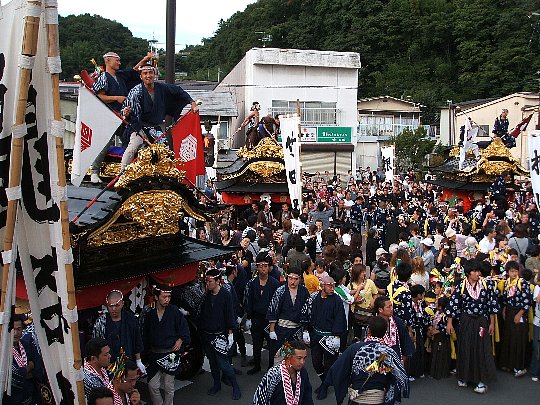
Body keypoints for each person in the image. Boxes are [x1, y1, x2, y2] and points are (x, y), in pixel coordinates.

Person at [89, 51, 154, 183]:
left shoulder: (120, 75)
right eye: (116, 60)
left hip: (126, 115)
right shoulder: (104, 77)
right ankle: (94, 171)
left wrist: (145, 59)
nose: (119, 62)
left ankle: (129, 171)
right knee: (106, 143)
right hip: (110, 115)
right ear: (108, 61)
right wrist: (116, 98)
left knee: (136, 139)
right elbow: (98, 95)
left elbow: (134, 70)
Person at [121, 62, 199, 170]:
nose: (148, 76)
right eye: (145, 73)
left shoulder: (162, 88)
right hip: (138, 126)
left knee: (165, 150)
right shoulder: (136, 92)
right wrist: (126, 113)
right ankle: (122, 173)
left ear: (155, 74)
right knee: (133, 147)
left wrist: (192, 102)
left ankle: (165, 174)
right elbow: (129, 113)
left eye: (150, 73)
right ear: (141, 76)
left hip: (155, 127)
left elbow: (179, 91)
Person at [317, 316, 409, 404]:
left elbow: (337, 370)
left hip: (357, 398)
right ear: (385, 333)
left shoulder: (354, 348)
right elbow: (401, 377)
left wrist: (348, 383)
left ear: (368, 331)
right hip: (378, 399)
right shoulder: (389, 352)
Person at [446, 259, 499, 394]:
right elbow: (454, 305)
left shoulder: (487, 285)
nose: (477, 274)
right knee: (465, 346)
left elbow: (492, 305)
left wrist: (492, 323)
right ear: (468, 273)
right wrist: (449, 323)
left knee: (482, 349)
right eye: (474, 271)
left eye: (478, 271)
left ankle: (481, 381)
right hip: (466, 321)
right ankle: (464, 376)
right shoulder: (461, 286)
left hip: (481, 320)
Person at [142, 283, 191, 405]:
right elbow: (146, 334)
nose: (167, 300)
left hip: (170, 353)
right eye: (164, 297)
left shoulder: (174, 311)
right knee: (152, 385)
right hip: (155, 353)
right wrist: (144, 356)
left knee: (169, 387)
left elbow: (184, 328)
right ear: (157, 297)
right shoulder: (150, 313)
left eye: (169, 297)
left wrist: (180, 340)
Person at [199, 268, 241, 399]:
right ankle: (216, 384)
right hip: (207, 334)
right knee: (212, 362)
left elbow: (229, 314)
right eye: (206, 281)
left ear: (218, 281)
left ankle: (235, 386)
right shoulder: (206, 296)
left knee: (224, 364)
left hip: (220, 335)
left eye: (210, 281)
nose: (208, 284)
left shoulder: (225, 294)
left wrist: (230, 333)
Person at [301, 276, 347, 388]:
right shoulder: (314, 298)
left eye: (333, 286)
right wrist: (306, 330)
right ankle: (324, 381)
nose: (332, 288)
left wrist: (337, 336)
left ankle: (324, 387)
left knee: (328, 364)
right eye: (329, 286)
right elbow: (307, 313)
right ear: (322, 286)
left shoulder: (337, 300)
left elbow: (340, 319)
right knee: (316, 363)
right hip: (316, 335)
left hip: (330, 337)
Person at [92, 290, 145, 374]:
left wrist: (138, 361)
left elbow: (137, 341)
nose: (114, 309)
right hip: (108, 365)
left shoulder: (131, 319)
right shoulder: (101, 322)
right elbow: (96, 346)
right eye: (110, 306)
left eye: (117, 305)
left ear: (122, 304)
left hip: (128, 361)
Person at [244, 252, 280, 375]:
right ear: (257, 267)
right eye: (260, 266)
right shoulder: (252, 283)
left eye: (265, 266)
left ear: (269, 267)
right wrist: (248, 317)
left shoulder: (274, 283)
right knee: (256, 343)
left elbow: (277, 303)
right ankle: (257, 365)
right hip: (256, 318)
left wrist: (275, 322)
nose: (263, 269)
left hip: (269, 320)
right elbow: (249, 301)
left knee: (271, 344)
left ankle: (271, 366)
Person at [267, 267, 311, 363]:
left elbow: (307, 311)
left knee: (295, 358)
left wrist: (306, 330)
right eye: (290, 278)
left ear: (300, 279)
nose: (293, 281)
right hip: (282, 328)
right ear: (287, 278)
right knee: (278, 356)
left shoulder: (304, 291)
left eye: (296, 279)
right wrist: (272, 330)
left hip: (297, 329)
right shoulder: (280, 291)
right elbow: (273, 309)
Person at [498, 260, 533, 377]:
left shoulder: (523, 283)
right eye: (512, 271)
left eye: (516, 271)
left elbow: (528, 300)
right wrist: (504, 310)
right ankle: (508, 364)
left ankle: (518, 366)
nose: (514, 273)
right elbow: (505, 299)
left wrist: (520, 314)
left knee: (518, 340)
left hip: (519, 312)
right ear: (507, 272)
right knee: (508, 338)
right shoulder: (507, 283)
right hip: (509, 311)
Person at [252, 341, 314, 405]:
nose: (302, 362)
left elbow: (307, 396)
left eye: (304, 358)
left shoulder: (302, 372)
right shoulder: (274, 374)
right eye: (299, 358)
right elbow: (259, 400)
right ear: (288, 357)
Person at [9, 314, 40, 405]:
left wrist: (26, 372)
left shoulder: (27, 344)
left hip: (30, 396)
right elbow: (13, 374)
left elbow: (38, 366)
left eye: (18, 329)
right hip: (12, 399)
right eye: (13, 329)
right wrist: (29, 367)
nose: (15, 333)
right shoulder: (4, 350)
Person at [372, 296, 415, 364]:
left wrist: (404, 357)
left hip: (396, 358)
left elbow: (405, 340)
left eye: (391, 306)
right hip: (378, 360)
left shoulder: (398, 322)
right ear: (380, 310)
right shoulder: (373, 323)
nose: (391, 309)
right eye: (388, 307)